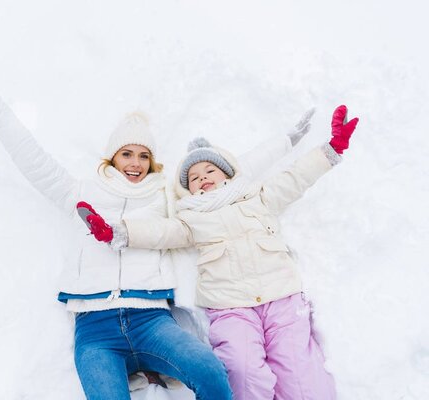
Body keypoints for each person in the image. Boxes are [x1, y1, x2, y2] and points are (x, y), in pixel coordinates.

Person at [0, 64, 234, 400]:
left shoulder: (164, 195)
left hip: (153, 322)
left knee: (210, 372)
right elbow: (32, 158)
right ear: (113, 157)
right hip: (96, 330)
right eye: (127, 154)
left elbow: (221, 185)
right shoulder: (81, 192)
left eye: (144, 156)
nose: (135, 163)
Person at [84, 105, 358, 399]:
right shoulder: (190, 218)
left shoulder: (258, 198)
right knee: (241, 370)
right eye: (193, 178)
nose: (202, 177)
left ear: (227, 173)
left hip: (281, 297)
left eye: (209, 170)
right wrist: (120, 232)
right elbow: (161, 232)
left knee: (300, 373)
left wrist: (330, 150)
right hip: (231, 308)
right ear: (187, 190)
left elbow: (295, 178)